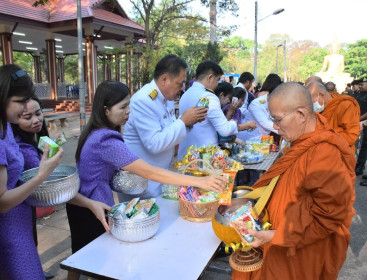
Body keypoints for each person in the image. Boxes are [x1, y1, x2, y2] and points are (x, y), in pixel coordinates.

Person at [66, 80, 226, 280]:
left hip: (81, 202)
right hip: (94, 206)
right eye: (122, 107)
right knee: (99, 262)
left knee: (79, 256)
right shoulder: (105, 140)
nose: (128, 112)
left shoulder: (95, 132)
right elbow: (148, 172)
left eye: (128, 105)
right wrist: (199, 182)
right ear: (106, 110)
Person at [232, 82, 356, 280]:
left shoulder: (325, 153)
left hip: (297, 250)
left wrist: (275, 236)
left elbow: (329, 217)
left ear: (301, 114)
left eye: (278, 119)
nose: (274, 126)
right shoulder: (302, 142)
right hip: (278, 237)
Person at [0, 64, 63, 280]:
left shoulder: (6, 127)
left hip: (20, 224)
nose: (25, 107)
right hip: (9, 231)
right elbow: (2, 201)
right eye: (20, 101)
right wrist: (41, 176)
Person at [122, 55, 207, 199]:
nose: (182, 88)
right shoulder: (143, 100)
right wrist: (183, 121)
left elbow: (169, 131)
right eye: (179, 83)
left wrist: (188, 122)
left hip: (159, 177)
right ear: (164, 79)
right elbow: (154, 143)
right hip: (143, 182)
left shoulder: (165, 99)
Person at [10, 96, 55, 279]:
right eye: (27, 117)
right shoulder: (22, 147)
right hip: (16, 210)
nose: (35, 120)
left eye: (38, 114)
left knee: (32, 240)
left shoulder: (36, 138)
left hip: (27, 205)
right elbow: (46, 178)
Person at [178, 61, 255, 159]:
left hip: (186, 155)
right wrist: (234, 123)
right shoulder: (209, 96)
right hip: (205, 157)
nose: (217, 85)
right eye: (217, 80)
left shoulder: (185, 95)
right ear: (210, 77)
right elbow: (225, 130)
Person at [306, 81, 360, 153]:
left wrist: (322, 135)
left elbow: (351, 136)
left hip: (340, 154)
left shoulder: (346, 105)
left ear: (321, 95)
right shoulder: (320, 109)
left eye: (312, 103)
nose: (311, 106)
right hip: (320, 152)